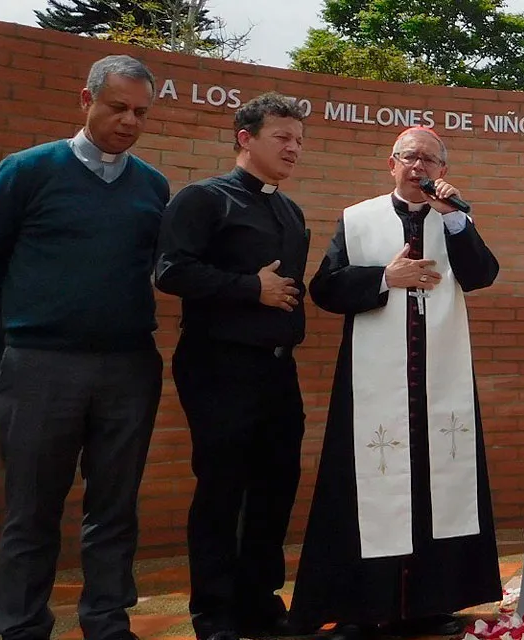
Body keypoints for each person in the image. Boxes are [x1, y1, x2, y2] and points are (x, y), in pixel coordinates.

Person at [0, 55, 169, 640]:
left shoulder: (153, 185)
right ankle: (21, 625)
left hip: (128, 366)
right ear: (86, 100)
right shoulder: (26, 171)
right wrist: (8, 343)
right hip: (39, 365)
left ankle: (107, 620)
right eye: (118, 107)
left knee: (114, 505)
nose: (129, 121)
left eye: (140, 112)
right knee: (32, 507)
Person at [288, 126, 501, 640]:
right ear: (391, 163)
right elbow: (325, 288)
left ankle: (431, 604)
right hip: (373, 387)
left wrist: (457, 222)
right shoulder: (357, 219)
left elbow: (482, 275)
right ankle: (360, 609)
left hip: (437, 382)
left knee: (438, 485)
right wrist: (386, 279)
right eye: (409, 156)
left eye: (429, 160)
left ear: (442, 173)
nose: (418, 166)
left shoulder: (454, 222)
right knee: (365, 486)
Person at [154, 92, 310, 640]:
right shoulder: (204, 199)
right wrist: (251, 288)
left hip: (277, 371)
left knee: (275, 486)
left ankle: (260, 602)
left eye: (298, 140)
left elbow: (289, 289)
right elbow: (170, 272)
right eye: (281, 138)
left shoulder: (289, 210)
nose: (293, 149)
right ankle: (214, 613)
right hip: (219, 368)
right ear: (246, 138)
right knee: (222, 490)